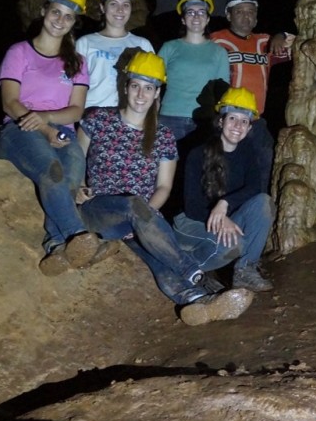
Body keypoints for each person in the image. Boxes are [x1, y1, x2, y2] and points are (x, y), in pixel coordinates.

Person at [78, 52, 254, 325]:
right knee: (134, 204)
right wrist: (77, 188)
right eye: (135, 85)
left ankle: (197, 302)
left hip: (142, 218)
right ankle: (192, 271)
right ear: (125, 86)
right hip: (100, 210)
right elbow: (76, 162)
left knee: (156, 259)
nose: (140, 94)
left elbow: (163, 187)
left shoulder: (163, 136)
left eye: (148, 88)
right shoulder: (98, 120)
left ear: (157, 92)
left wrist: (141, 219)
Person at [0, 0, 105, 274]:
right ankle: (77, 235)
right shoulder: (19, 52)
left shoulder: (77, 63)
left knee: (70, 181)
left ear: (74, 23)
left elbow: (77, 109)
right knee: (51, 172)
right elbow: (10, 102)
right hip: (19, 130)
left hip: (61, 130)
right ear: (44, 10)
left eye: (68, 16)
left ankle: (57, 246)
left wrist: (47, 120)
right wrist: (42, 127)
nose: (61, 20)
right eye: (56, 12)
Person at [174, 86, 276, 294]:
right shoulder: (197, 154)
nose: (237, 126)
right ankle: (185, 268)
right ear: (221, 121)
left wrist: (224, 204)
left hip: (223, 217)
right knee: (234, 244)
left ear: (249, 128)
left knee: (263, 202)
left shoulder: (248, 152)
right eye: (232, 118)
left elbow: (254, 188)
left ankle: (245, 270)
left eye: (244, 121)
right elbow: (192, 207)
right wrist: (221, 219)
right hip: (191, 222)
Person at [210, 0, 294, 187]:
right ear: (228, 15)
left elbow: (305, 44)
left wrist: (281, 34)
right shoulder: (216, 40)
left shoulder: (264, 42)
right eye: (239, 11)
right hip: (226, 118)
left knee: (264, 164)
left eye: (250, 11)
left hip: (256, 120)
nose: (246, 16)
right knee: (223, 168)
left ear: (256, 17)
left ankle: (259, 208)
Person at [157, 0, 230, 144]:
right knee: (165, 166)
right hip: (170, 118)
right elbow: (153, 83)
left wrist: (220, 119)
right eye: (190, 12)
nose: (196, 16)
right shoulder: (169, 47)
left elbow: (222, 92)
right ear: (183, 19)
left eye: (201, 12)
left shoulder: (219, 52)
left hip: (204, 121)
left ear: (208, 18)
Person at [75, 0, 154, 110]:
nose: (120, 10)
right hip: (92, 114)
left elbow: (152, 87)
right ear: (102, 7)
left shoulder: (143, 44)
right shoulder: (85, 43)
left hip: (129, 116)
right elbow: (72, 85)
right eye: (113, 4)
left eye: (126, 5)